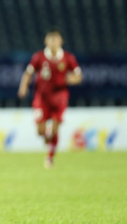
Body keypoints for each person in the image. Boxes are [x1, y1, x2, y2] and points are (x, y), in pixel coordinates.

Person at [18, 27, 82, 168]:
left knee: (55, 127)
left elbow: (78, 75)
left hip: (59, 96)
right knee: (41, 131)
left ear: (61, 41)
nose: (53, 42)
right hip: (41, 97)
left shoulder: (68, 58)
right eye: (51, 40)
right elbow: (28, 73)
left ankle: (49, 158)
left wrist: (71, 79)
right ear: (46, 41)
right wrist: (23, 87)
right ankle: (47, 135)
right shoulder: (39, 57)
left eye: (56, 39)